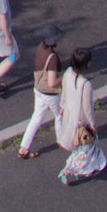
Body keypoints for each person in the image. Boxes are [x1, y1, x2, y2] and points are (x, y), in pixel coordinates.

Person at [58, 47, 107, 184]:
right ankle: (68, 170)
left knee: (80, 148)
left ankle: (83, 170)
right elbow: (87, 107)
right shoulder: (85, 84)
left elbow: (64, 92)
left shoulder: (68, 73)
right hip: (81, 121)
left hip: (70, 116)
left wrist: (62, 106)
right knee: (85, 149)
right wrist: (92, 123)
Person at [18, 23, 65, 159]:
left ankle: (24, 148)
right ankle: (61, 140)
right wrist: (65, 76)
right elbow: (52, 83)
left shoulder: (41, 47)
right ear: (55, 41)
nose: (61, 40)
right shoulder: (53, 58)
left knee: (36, 118)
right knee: (60, 115)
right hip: (50, 94)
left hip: (38, 89)